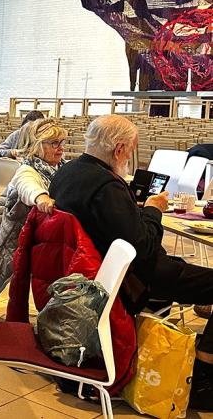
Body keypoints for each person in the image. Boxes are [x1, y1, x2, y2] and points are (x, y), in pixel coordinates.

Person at [48, 114, 213, 410]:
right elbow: (144, 249)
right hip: (129, 277)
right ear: (120, 149)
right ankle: (204, 376)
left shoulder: (67, 172)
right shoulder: (107, 186)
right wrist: (152, 210)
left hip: (85, 272)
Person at [0, 119, 67, 289]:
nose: (61, 147)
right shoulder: (27, 169)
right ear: (37, 145)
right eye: (54, 143)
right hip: (22, 239)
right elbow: (28, 186)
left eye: (62, 142)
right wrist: (41, 197)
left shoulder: (62, 167)